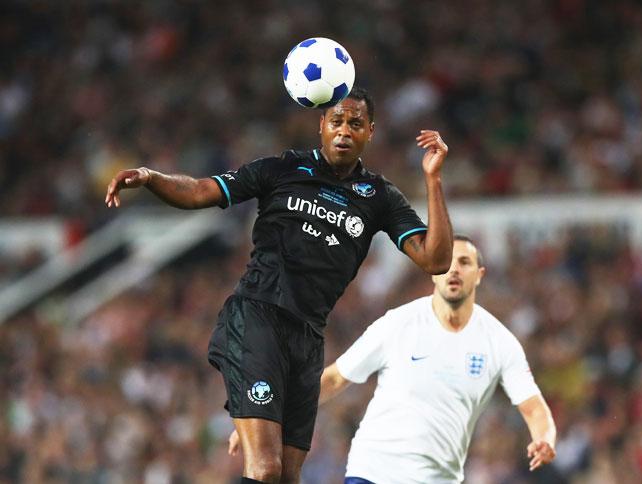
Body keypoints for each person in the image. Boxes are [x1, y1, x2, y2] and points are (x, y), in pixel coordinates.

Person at [105, 87, 453, 484]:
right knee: (266, 469)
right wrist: (151, 178)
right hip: (258, 317)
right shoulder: (282, 169)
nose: (344, 131)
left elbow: (436, 259)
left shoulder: (380, 197)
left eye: (355, 123)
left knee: (287, 477)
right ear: (321, 125)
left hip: (307, 337)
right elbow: (202, 191)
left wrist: (433, 178)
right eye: (336, 121)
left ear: (370, 131)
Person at [230, 235, 557, 483]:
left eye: (465, 263)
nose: (454, 270)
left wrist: (545, 438)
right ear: (433, 272)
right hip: (374, 470)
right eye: (446, 262)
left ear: (480, 274)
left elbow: (533, 407)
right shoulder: (398, 323)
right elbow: (333, 379)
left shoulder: (499, 341)